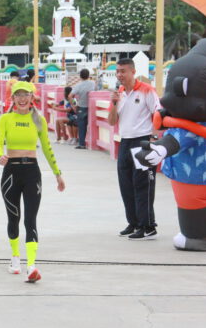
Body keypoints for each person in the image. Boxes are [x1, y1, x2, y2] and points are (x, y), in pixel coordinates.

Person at [0, 81, 65, 283]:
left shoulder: (38, 120)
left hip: (32, 173)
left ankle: (32, 265)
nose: (22, 98)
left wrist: (57, 174)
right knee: (13, 217)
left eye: (26, 95)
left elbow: (47, 148)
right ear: (13, 98)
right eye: (18, 95)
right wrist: (0, 155)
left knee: (30, 219)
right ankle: (15, 258)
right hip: (11, 173)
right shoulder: (6, 119)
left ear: (32, 98)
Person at [108, 58, 161, 240]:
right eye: (117, 71)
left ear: (133, 71)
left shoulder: (147, 90)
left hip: (142, 141)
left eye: (123, 71)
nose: (119, 75)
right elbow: (112, 121)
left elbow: (158, 114)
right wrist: (114, 103)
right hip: (125, 141)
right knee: (126, 185)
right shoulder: (119, 93)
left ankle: (148, 226)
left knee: (143, 184)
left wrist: (153, 139)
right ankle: (134, 223)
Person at [69, 69, 95, 149]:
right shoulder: (93, 83)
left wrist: (74, 105)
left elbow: (70, 96)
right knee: (92, 125)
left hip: (81, 108)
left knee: (82, 127)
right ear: (88, 75)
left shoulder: (78, 85)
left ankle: (82, 144)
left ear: (80, 76)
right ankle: (92, 143)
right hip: (92, 107)